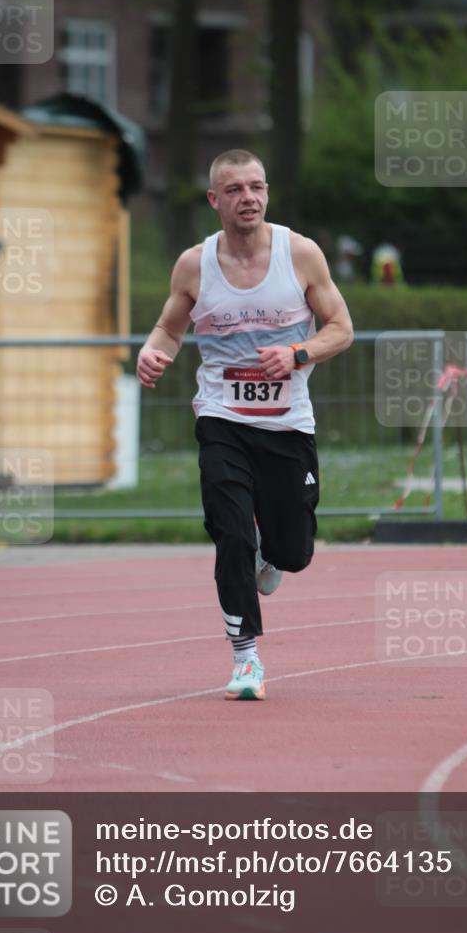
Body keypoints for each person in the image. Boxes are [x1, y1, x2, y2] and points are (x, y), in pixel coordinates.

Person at [136, 149, 354, 701]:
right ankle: (246, 659)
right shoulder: (194, 264)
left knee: (294, 553)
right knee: (230, 532)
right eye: (234, 189)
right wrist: (151, 351)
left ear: (267, 193)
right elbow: (168, 327)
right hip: (222, 417)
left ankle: (271, 552)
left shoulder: (300, 254)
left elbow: (341, 329)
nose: (248, 198)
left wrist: (299, 354)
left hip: (287, 426)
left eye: (256, 187)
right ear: (215, 200)